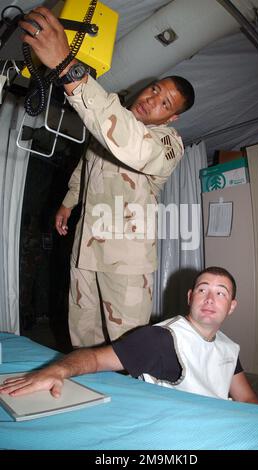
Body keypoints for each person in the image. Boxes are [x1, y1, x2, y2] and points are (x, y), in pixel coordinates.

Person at [18, 7, 195, 347]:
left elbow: (135, 147)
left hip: (126, 260)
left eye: (165, 103)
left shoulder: (168, 144)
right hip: (87, 246)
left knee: (127, 348)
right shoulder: (105, 128)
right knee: (83, 338)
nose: (153, 100)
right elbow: (86, 168)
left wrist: (68, 68)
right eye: (156, 89)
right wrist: (69, 204)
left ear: (171, 118)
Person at [0, 267, 258, 404]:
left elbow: (246, 398)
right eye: (203, 290)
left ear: (232, 306)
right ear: (190, 297)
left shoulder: (228, 347)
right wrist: (57, 371)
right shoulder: (161, 340)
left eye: (221, 293)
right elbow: (96, 358)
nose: (211, 298)